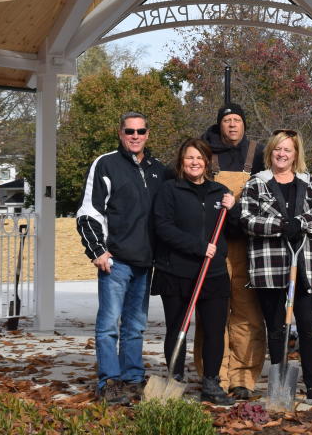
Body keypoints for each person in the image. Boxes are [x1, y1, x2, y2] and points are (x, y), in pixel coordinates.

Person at [76, 112, 170, 405]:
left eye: (141, 130)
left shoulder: (159, 170)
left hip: (145, 263)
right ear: (120, 133)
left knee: (135, 326)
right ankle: (108, 382)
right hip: (115, 262)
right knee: (108, 325)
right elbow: (88, 212)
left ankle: (132, 378)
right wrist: (97, 251)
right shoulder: (106, 164)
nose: (135, 135)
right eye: (130, 130)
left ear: (148, 134)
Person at [238, 129, 312, 408]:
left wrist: (301, 223)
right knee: (277, 329)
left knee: (307, 328)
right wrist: (280, 225)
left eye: (288, 150)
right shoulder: (257, 184)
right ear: (271, 152)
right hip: (270, 267)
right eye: (278, 149)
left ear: (296, 154)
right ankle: (279, 386)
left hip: (304, 266)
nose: (282, 154)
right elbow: (247, 218)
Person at [152, 138, 236, 405]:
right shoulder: (169, 190)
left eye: (199, 158)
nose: (195, 162)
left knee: (214, 330)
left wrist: (232, 210)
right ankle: (175, 378)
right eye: (189, 158)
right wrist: (199, 247)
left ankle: (211, 383)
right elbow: (163, 227)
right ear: (181, 161)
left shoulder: (219, 192)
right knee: (177, 328)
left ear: (207, 161)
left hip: (213, 275)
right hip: (176, 272)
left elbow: (232, 231)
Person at [198, 104, 266, 399]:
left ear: (244, 124)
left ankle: (243, 378)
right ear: (219, 125)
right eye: (227, 120)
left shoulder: (258, 154)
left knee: (248, 315)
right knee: (212, 316)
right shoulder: (204, 151)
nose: (232, 125)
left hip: (247, 247)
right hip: (214, 246)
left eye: (237, 119)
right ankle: (214, 376)